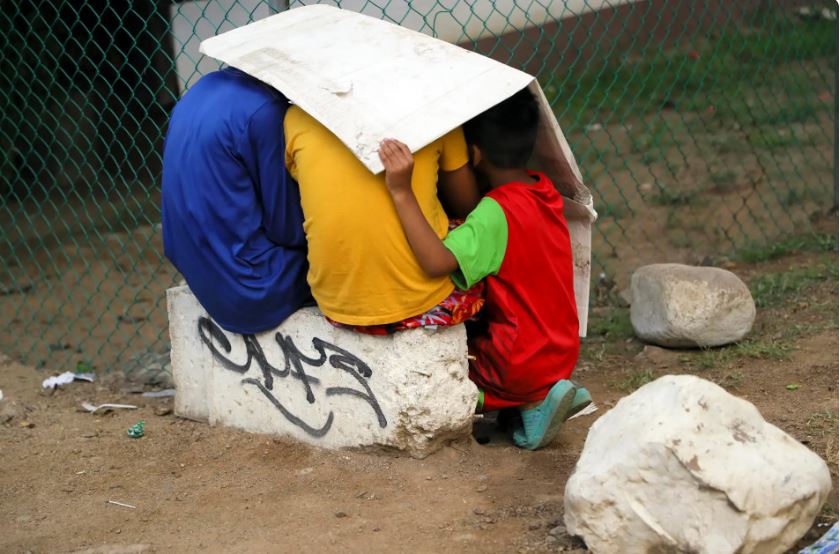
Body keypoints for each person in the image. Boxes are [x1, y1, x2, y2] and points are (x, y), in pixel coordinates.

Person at [377, 88, 590, 450]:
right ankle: (538, 397)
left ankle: (526, 401)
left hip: (517, 363)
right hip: (560, 350)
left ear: (474, 154)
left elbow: (435, 262)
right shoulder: (545, 192)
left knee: (450, 373)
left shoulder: (495, 212)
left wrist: (401, 191)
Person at [284, 106, 483, 333]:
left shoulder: (299, 115)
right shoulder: (438, 111)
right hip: (424, 304)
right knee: (473, 245)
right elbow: (467, 206)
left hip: (336, 306)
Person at [161, 68, 311, 334]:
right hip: (253, 287)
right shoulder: (267, 111)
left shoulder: (202, 87)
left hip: (199, 272)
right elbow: (287, 230)